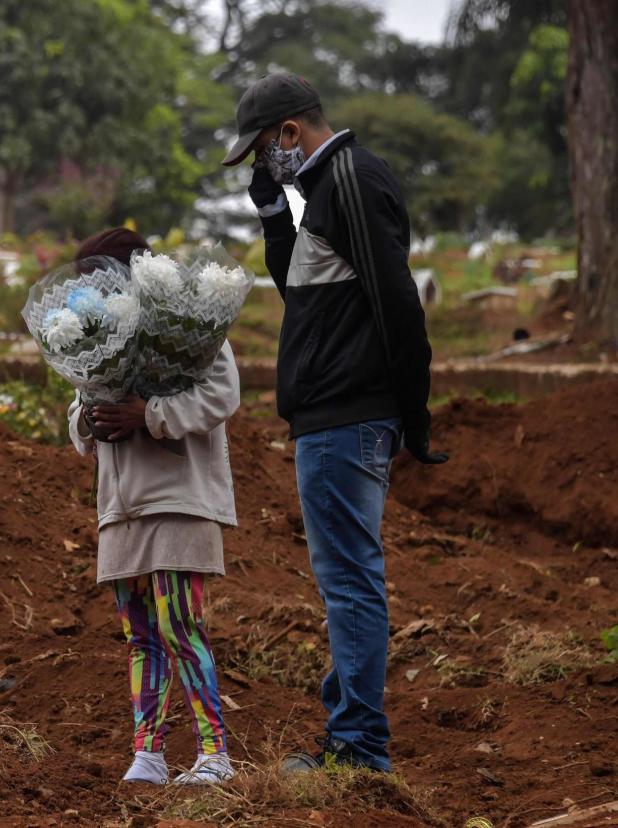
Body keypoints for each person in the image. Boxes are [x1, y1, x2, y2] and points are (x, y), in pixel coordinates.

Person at [222, 74, 447, 774]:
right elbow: (306, 292)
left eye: (263, 151)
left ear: (290, 132)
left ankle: (358, 749)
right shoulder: (323, 189)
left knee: (350, 582)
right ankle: (349, 729)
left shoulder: (349, 177)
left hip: (346, 417)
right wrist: (272, 216)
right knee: (347, 579)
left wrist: (415, 416)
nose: (264, 164)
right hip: (337, 416)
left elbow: (397, 302)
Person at [66, 228, 240, 787]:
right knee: (140, 634)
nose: (89, 294)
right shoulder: (98, 337)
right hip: (121, 505)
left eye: (99, 281)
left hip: (179, 498)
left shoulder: (187, 327)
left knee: (179, 623)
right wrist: (90, 420)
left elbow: (221, 394)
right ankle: (150, 754)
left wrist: (148, 416)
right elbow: (78, 411)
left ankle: (215, 753)